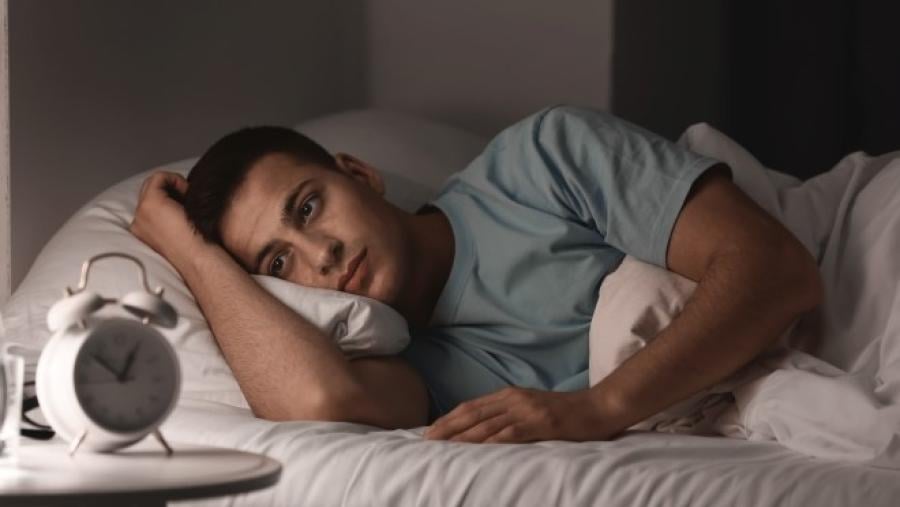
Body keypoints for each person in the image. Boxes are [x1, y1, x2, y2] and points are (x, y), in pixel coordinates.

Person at [130, 106, 822, 444]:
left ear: (360, 174)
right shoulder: (413, 372)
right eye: (279, 264)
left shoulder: (542, 160)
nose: (323, 256)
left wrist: (597, 407)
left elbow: (774, 267)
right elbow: (317, 397)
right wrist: (196, 257)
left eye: (310, 206)